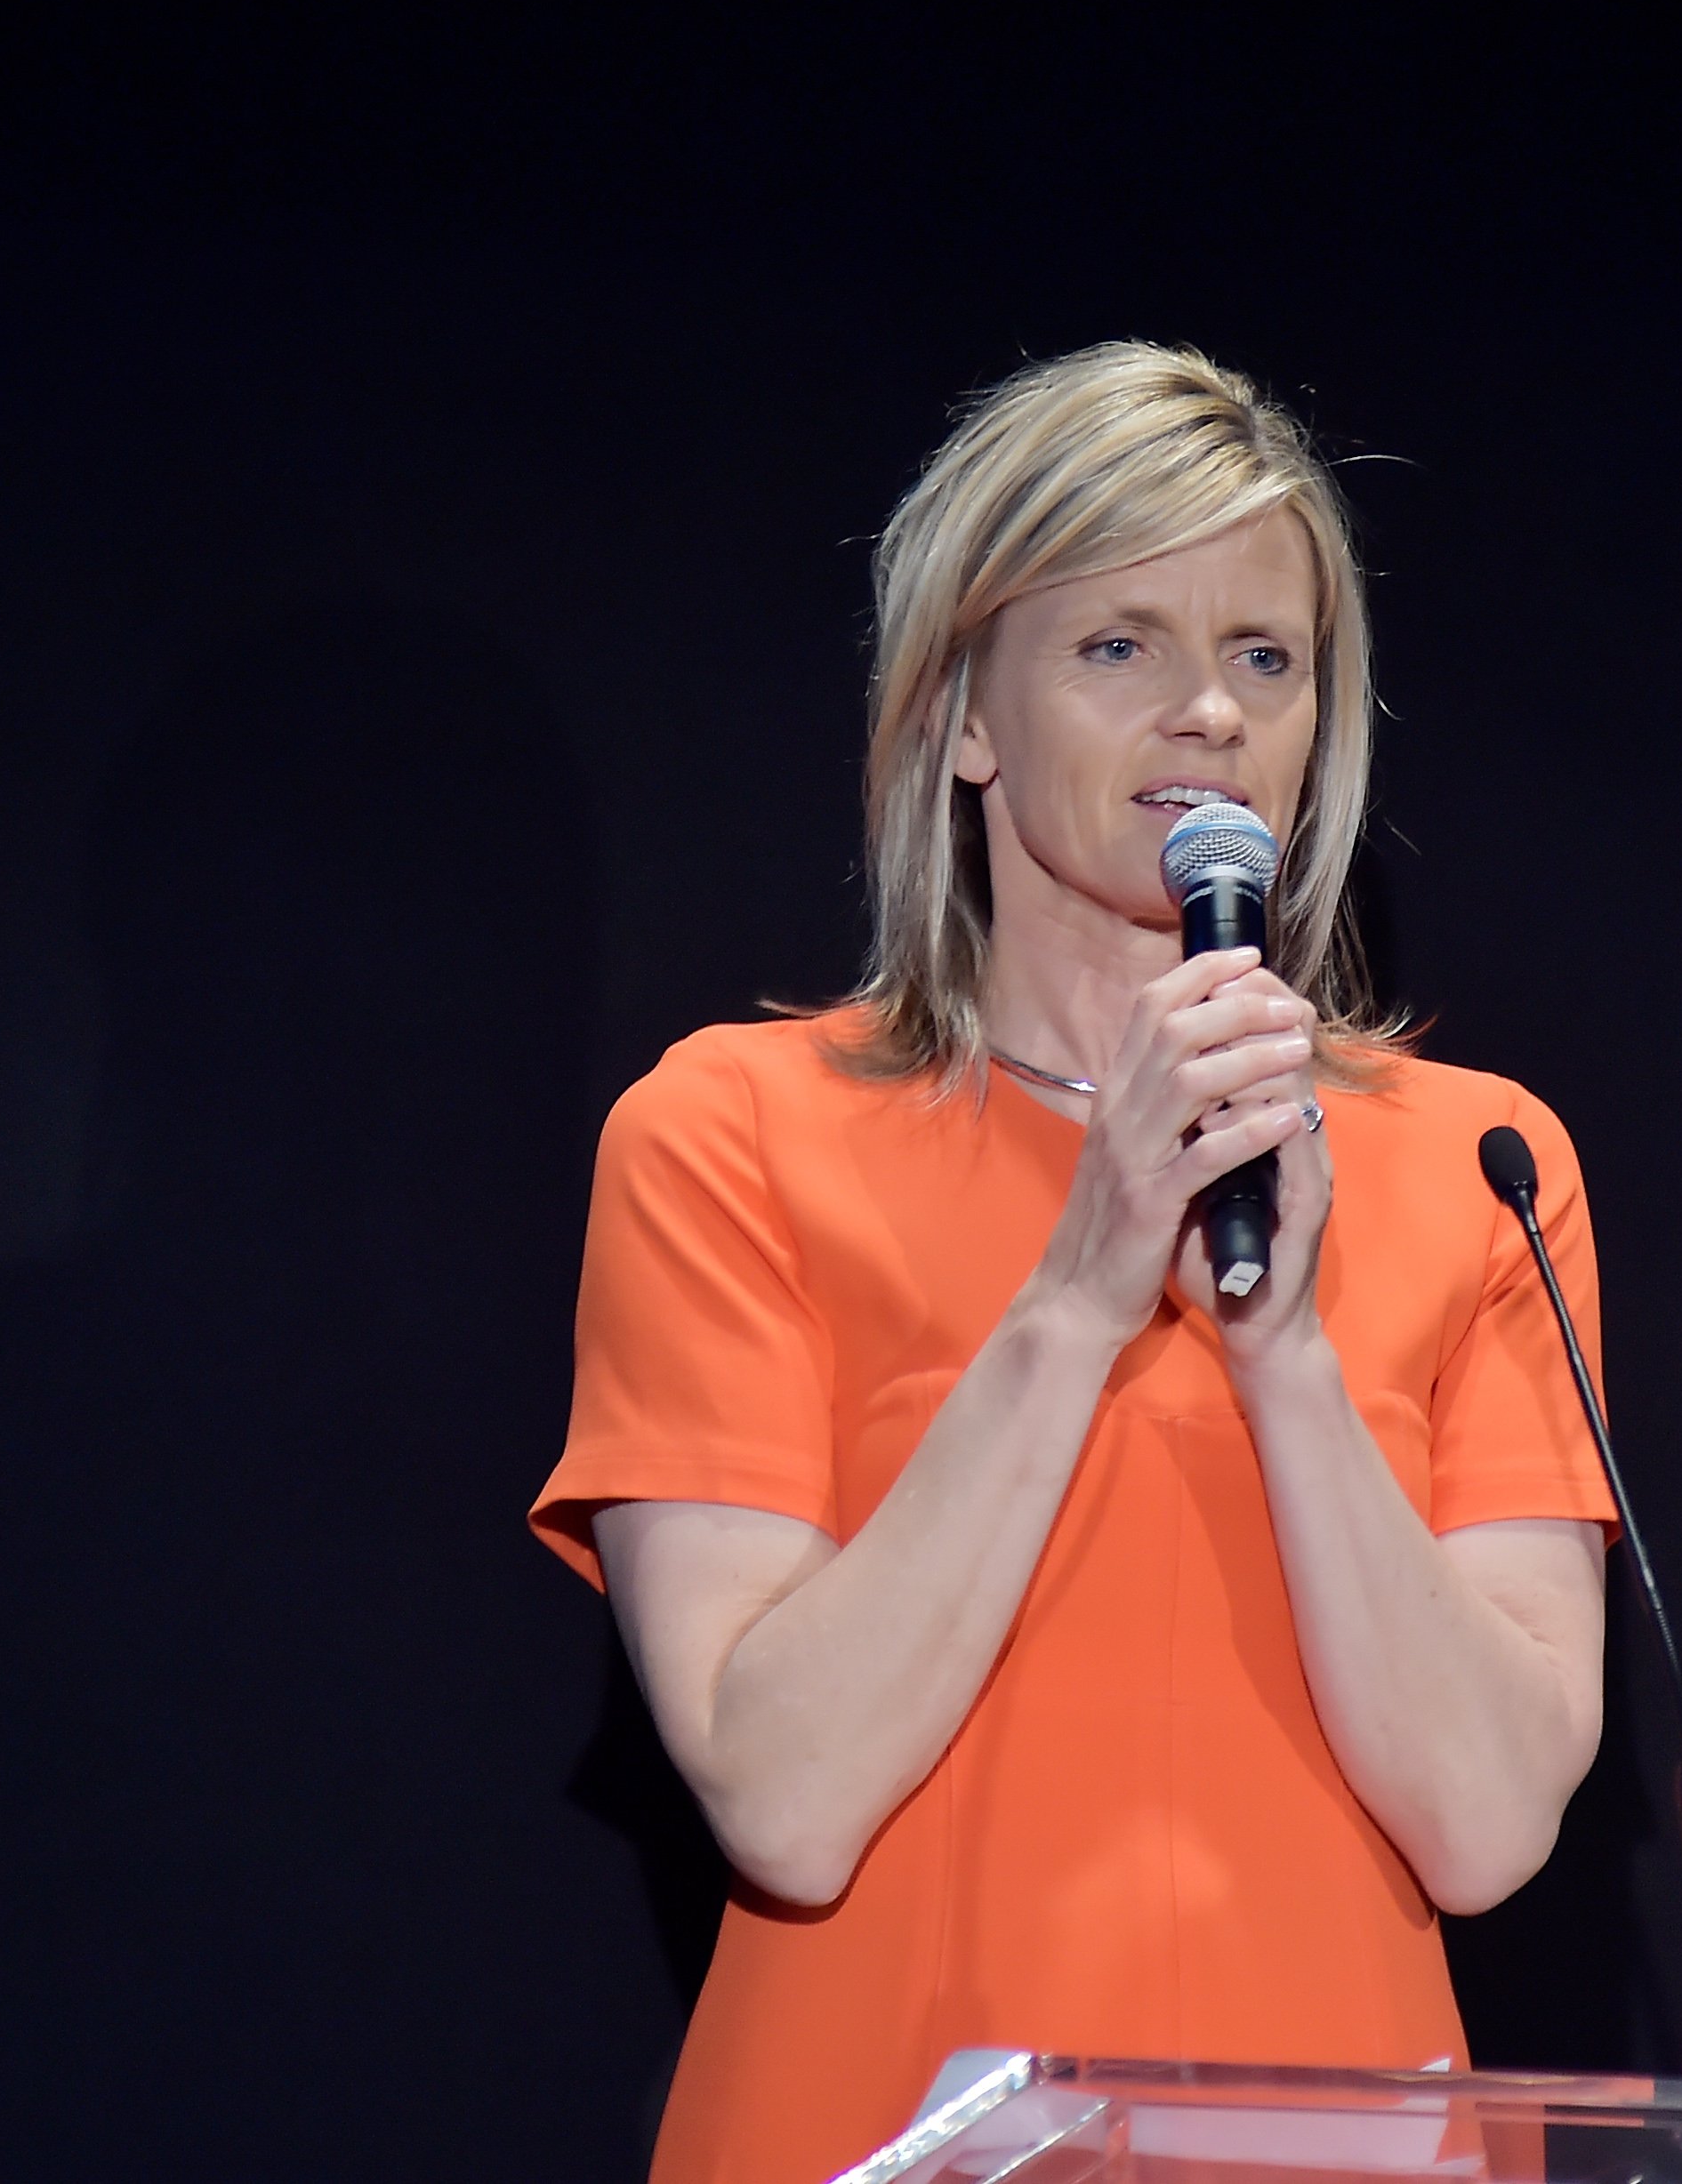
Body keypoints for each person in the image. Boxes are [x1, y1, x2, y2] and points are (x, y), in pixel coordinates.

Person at [532, 343, 1616, 2184]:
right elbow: (780, 1797)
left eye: (1263, 659)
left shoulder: (1477, 1164)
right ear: (965, 713)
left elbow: (1490, 1823)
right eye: (1118, 645)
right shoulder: (731, 1137)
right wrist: (1079, 1294)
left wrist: (1283, 1355)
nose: (1205, 711)